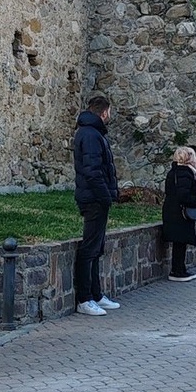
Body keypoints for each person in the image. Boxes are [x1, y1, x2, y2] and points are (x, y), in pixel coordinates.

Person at [73, 94, 121, 316]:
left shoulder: (92, 133)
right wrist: (104, 196)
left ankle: (96, 294)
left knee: (96, 247)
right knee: (90, 248)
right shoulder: (91, 135)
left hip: (96, 197)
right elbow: (93, 171)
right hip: (93, 198)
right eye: (109, 112)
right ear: (104, 112)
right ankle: (85, 299)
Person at [162, 146, 196, 282]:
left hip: (172, 211)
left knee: (179, 242)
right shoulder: (186, 173)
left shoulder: (173, 172)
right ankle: (177, 271)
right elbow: (183, 195)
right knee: (180, 242)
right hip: (180, 213)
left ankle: (180, 269)